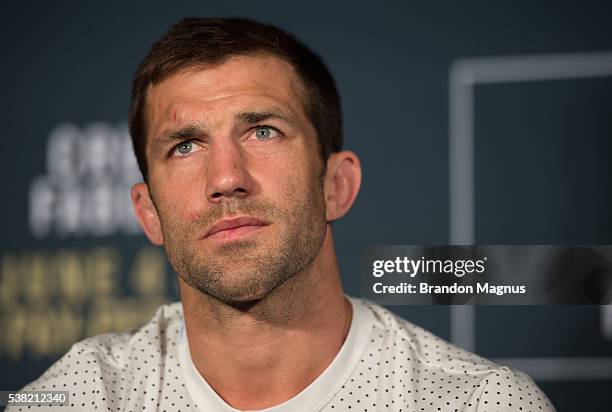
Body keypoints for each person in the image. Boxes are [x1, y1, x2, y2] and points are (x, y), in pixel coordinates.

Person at [9, 17, 554, 412]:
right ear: (148, 212)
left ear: (336, 185)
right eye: (185, 146)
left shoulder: (478, 404)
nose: (226, 178)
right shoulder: (73, 400)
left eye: (262, 131)